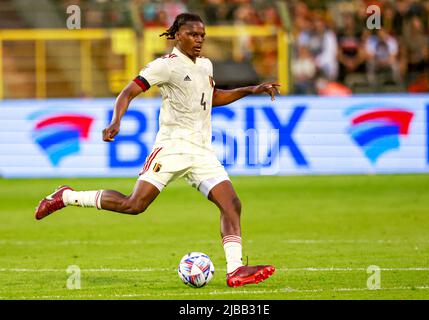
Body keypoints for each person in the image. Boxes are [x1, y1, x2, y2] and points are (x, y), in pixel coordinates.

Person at [35, 13, 278, 288]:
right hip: (171, 148)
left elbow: (210, 98)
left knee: (231, 204)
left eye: (202, 36)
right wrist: (116, 120)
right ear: (177, 35)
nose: (199, 40)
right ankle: (66, 196)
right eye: (193, 35)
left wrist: (252, 89)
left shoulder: (206, 65)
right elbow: (128, 92)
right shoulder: (165, 66)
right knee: (134, 205)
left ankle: (235, 270)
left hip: (201, 152)